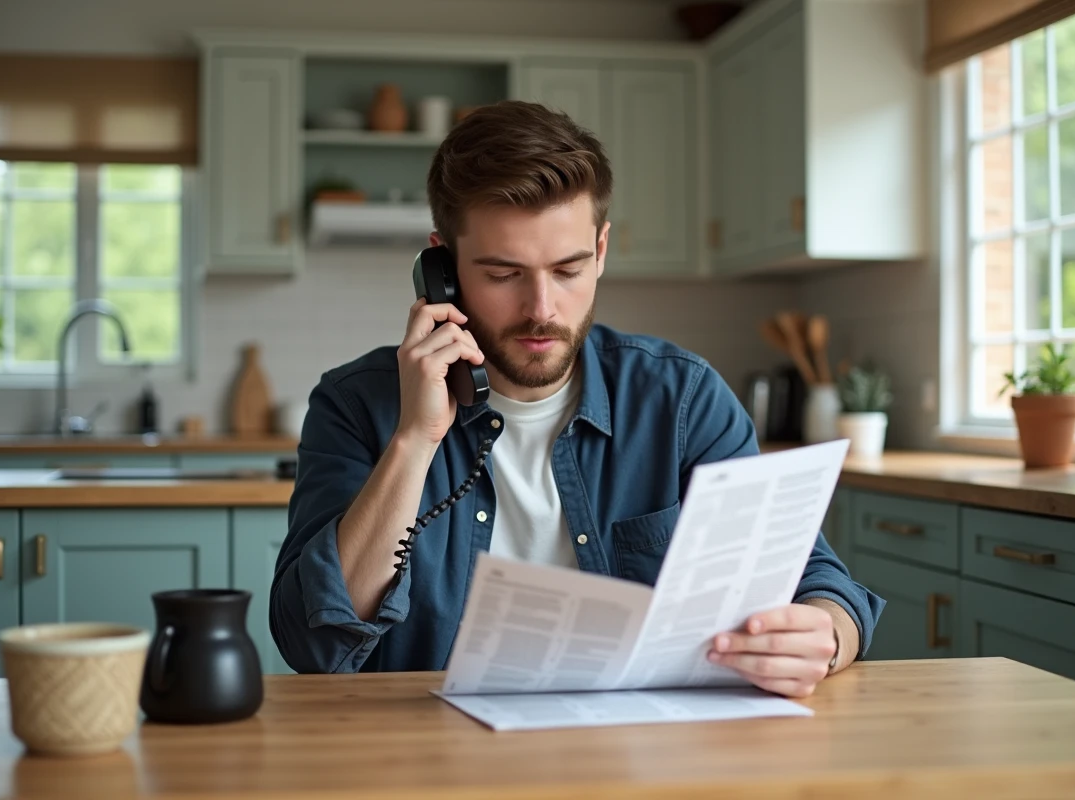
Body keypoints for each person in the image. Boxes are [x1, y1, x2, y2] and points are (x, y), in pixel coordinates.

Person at [271, 100, 885, 698]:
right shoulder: (353, 405)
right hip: (429, 757)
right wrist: (414, 440)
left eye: (567, 270)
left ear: (601, 251)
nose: (541, 309)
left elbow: (817, 578)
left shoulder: (681, 397)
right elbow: (314, 646)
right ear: (444, 267)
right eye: (503, 274)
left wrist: (827, 635)